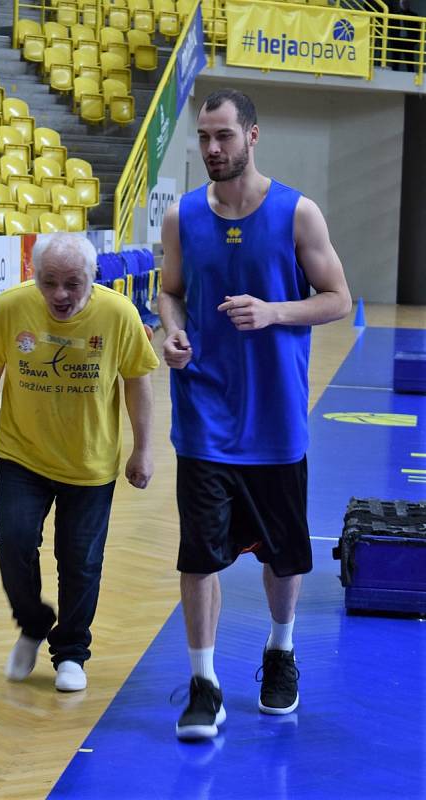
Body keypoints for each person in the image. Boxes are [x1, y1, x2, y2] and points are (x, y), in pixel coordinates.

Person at [158, 89, 352, 740]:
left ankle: (279, 650)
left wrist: (273, 312)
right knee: (198, 556)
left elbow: (337, 300)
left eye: (223, 136)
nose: (212, 149)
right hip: (203, 413)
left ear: (252, 135)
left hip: (274, 419)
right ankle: (203, 682)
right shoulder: (182, 216)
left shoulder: (298, 213)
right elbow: (169, 291)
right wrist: (172, 333)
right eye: (203, 138)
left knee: (283, 556)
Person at [0, 232, 159, 691]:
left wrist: (143, 449)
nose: (61, 295)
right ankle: (32, 624)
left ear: (93, 277)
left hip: (90, 462)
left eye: (73, 283)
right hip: (22, 455)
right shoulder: (9, 309)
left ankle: (70, 652)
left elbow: (137, 381)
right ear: (34, 275)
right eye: (49, 283)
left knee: (81, 560)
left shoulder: (119, 314)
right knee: (13, 542)